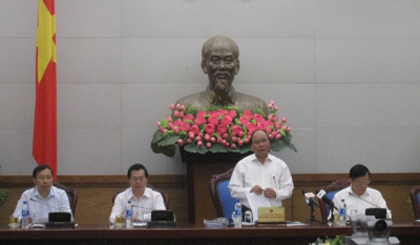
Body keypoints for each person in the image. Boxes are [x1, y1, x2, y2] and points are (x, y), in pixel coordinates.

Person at [176, 36, 269, 114]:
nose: (222, 67)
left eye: (228, 60)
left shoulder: (257, 107)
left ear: (237, 67)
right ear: (204, 66)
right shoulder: (184, 107)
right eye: (215, 60)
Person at [228, 130, 294, 212]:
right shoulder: (242, 165)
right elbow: (233, 190)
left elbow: (288, 189)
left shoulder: (280, 165)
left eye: (264, 141)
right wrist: (250, 191)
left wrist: (276, 194)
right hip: (249, 212)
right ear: (252, 146)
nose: (261, 144)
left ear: (269, 143)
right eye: (257, 142)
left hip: (274, 212)